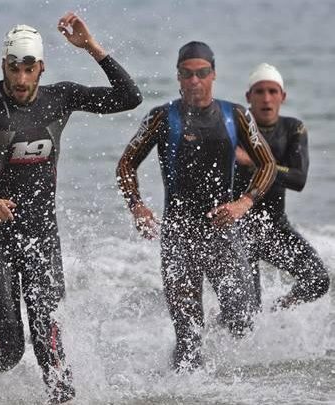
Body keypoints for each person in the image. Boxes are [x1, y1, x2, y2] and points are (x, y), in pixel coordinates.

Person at [0, 13, 142, 404]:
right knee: (9, 351)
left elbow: (128, 97)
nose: (20, 78)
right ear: (3, 66)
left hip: (42, 237)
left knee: (49, 341)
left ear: (40, 68)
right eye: (14, 68)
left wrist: (91, 48)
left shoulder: (60, 97)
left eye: (29, 68)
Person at [116, 41, 277, 372]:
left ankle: (216, 359)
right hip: (179, 237)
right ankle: (185, 389)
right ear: (178, 77)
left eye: (201, 73)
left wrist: (243, 203)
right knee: (187, 336)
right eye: (187, 74)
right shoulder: (161, 118)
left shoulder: (237, 116)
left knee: (241, 320)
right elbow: (126, 164)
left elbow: (268, 165)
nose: (194, 81)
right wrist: (137, 207)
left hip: (223, 234)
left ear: (213, 75)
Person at [234, 63, 329, 310]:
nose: (266, 98)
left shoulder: (293, 129)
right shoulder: (234, 127)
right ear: (248, 97)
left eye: (273, 91)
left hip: (274, 227)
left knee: (317, 279)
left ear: (282, 97)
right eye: (259, 91)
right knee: (247, 311)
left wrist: (255, 162)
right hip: (238, 229)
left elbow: (298, 179)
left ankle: (276, 313)